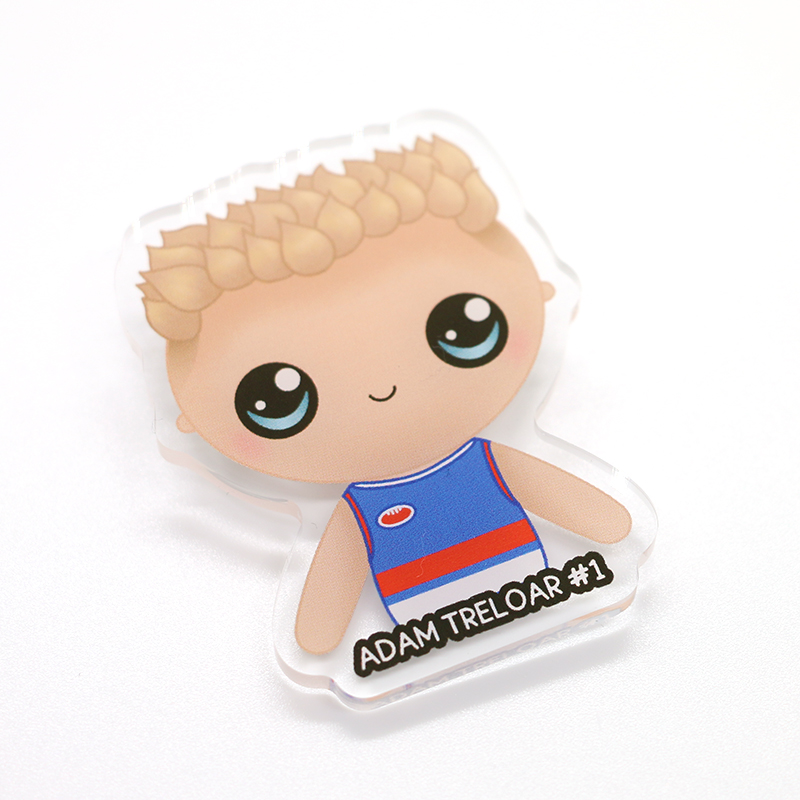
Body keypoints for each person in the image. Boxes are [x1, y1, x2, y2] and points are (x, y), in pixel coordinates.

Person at [139, 136, 631, 657]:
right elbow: (331, 591)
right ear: (190, 419)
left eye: (461, 330)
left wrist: (611, 528)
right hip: (423, 630)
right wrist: (321, 638)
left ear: (540, 293)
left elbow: (601, 518)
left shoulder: (484, 464)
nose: (382, 389)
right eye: (279, 403)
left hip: (529, 590)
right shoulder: (364, 506)